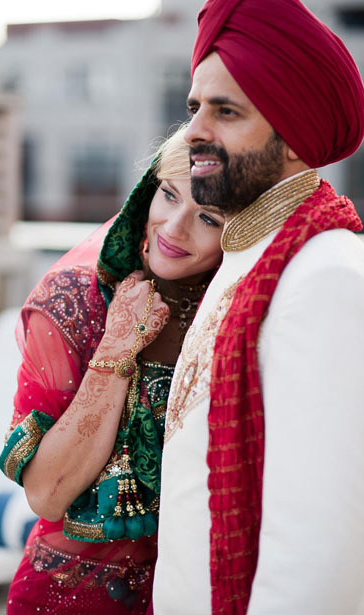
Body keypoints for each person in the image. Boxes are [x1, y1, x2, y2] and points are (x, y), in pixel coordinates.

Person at [152, 1, 364, 614]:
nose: (195, 130)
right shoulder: (241, 260)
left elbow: (318, 561)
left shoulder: (324, 277)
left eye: (227, 111)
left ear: (295, 140)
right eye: (196, 107)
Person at [0, 125, 225, 614]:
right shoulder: (71, 301)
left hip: (199, 590)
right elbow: (46, 494)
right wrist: (119, 347)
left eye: (208, 216)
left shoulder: (235, 308)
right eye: (168, 195)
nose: (173, 227)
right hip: (72, 594)